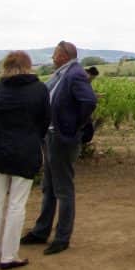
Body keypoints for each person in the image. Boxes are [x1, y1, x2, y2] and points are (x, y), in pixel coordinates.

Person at [21, 40, 97, 255]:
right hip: (51, 135)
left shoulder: (75, 74)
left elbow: (89, 101)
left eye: (55, 54)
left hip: (62, 138)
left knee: (63, 188)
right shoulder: (63, 73)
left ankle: (62, 237)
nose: (53, 58)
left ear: (64, 55)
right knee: (49, 186)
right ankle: (41, 231)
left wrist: (73, 128)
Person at [0, 50, 50, 270]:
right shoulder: (39, 89)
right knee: (16, 206)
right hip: (26, 153)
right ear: (28, 66)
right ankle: (9, 256)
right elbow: (44, 121)